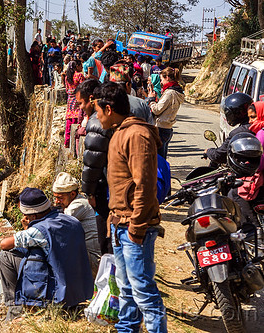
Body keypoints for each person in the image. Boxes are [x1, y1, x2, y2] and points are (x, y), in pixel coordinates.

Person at [93, 81, 167, 333]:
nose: (96, 116)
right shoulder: (120, 132)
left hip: (134, 227)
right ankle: (127, 329)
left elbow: (145, 186)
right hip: (119, 225)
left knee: (144, 291)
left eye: (98, 110)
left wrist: (137, 226)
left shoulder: (136, 135)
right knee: (125, 288)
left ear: (109, 108)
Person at [0, 188, 93, 321]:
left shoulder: (38, 231)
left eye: (25, 214)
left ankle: (15, 309)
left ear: (33, 215)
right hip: (80, 291)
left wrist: (28, 228)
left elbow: (4, 244)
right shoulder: (71, 220)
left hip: (59, 293)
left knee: (6, 256)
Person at [77, 79, 113, 256]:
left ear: (91, 99)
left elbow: (92, 163)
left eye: (81, 103)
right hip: (115, 187)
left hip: (104, 188)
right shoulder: (113, 115)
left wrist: (89, 193)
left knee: (105, 237)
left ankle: (110, 276)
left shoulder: (96, 122)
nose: (81, 108)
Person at [52, 172, 100, 277]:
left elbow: (59, 224)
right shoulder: (71, 204)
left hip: (93, 260)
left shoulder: (79, 205)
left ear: (73, 194)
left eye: (60, 198)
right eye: (55, 197)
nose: (56, 201)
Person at [205, 92, 254, 164]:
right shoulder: (256, 126)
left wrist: (208, 151)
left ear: (237, 113)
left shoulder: (239, 132)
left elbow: (219, 156)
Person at [146, 67, 184, 159]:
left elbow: (157, 110)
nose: (161, 82)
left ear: (167, 77)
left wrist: (151, 100)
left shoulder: (170, 93)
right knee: (162, 158)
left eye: (162, 79)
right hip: (167, 128)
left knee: (158, 160)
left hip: (160, 128)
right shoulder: (176, 91)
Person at [64, 60, 85, 148]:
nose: (82, 68)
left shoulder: (67, 77)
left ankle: (67, 143)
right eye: (81, 66)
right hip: (77, 99)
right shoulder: (79, 75)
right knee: (77, 119)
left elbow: (66, 89)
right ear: (77, 66)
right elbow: (83, 87)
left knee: (69, 122)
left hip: (70, 99)